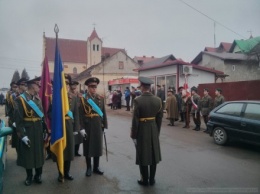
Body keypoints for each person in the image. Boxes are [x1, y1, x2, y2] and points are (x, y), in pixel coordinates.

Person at [130, 77, 163, 186]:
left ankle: (144, 180)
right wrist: (156, 132)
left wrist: (133, 135)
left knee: (143, 154)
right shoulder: (158, 100)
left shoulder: (137, 100)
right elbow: (159, 118)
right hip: (153, 128)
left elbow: (135, 120)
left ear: (142, 86)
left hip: (142, 130)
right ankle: (152, 179)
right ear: (150, 87)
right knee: (153, 154)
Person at [15, 77, 46, 186]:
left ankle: (38, 175)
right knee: (28, 154)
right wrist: (22, 135)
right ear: (33, 86)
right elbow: (18, 120)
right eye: (38, 86)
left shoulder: (38, 99)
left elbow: (42, 116)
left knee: (39, 153)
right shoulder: (21, 99)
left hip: (38, 130)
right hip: (28, 130)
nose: (39, 88)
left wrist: (45, 130)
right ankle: (29, 176)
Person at [52, 74, 80, 182]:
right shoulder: (55, 97)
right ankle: (60, 173)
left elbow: (76, 114)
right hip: (59, 126)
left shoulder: (73, 97)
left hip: (69, 127)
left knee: (68, 150)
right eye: (65, 83)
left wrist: (75, 129)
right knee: (60, 150)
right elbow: (49, 113)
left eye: (68, 83)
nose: (66, 85)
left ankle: (67, 172)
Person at [79, 77, 108, 177]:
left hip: (97, 125)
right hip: (87, 125)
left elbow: (103, 113)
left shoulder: (100, 98)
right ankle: (88, 168)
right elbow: (80, 115)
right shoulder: (83, 99)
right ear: (88, 87)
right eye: (91, 87)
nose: (94, 89)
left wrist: (105, 126)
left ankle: (96, 167)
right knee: (87, 147)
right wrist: (81, 128)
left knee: (97, 147)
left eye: (95, 87)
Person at [69, 80, 83, 157]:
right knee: (71, 135)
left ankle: (76, 151)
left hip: (78, 117)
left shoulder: (79, 95)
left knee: (78, 136)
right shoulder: (68, 95)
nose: (74, 88)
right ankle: (71, 150)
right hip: (70, 117)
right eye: (72, 87)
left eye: (75, 87)